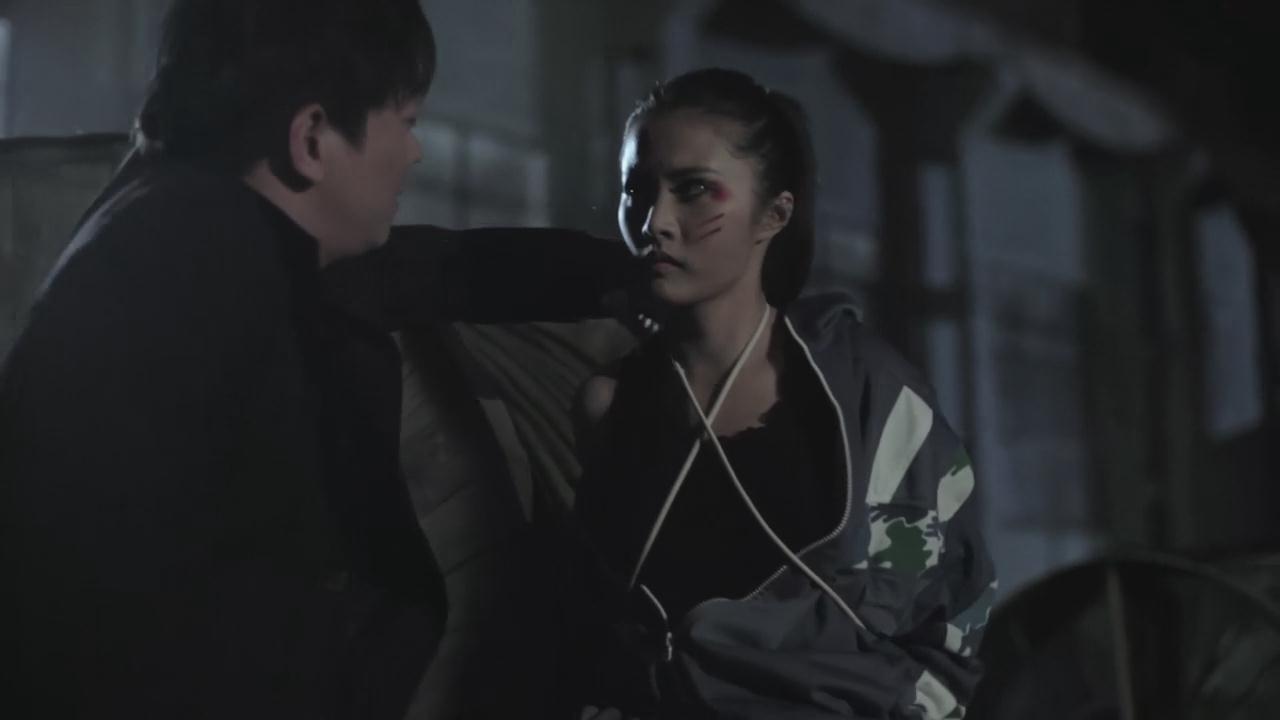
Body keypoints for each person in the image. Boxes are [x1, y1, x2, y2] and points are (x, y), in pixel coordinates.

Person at [0, 1, 629, 717]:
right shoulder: (200, 270)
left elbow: (427, 268)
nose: (415, 152)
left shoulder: (187, 218)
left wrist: (625, 276)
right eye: (407, 121)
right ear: (311, 139)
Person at [564, 68, 997, 719]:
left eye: (694, 190)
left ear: (775, 213)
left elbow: (951, 607)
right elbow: (597, 629)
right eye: (637, 190)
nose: (655, 221)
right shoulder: (608, 406)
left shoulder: (868, 394)